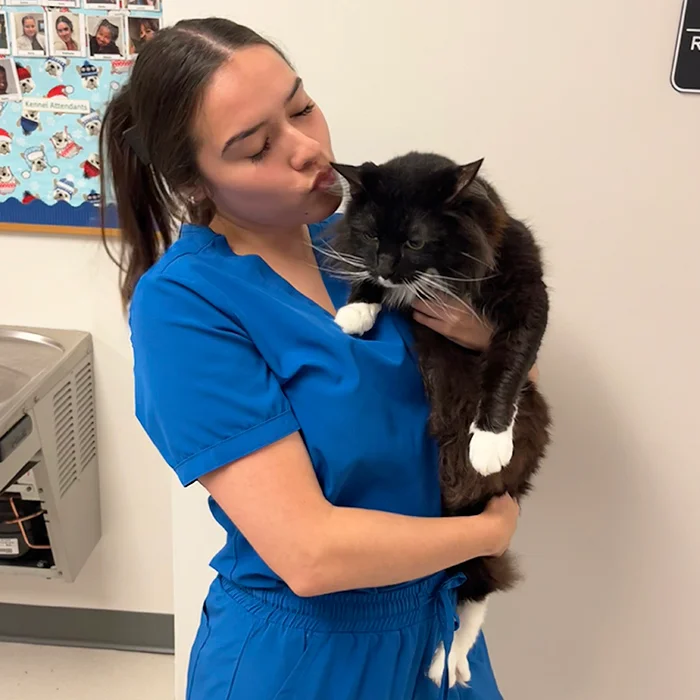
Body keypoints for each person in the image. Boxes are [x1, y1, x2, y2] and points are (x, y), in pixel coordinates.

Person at [101, 17, 531, 700]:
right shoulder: (185, 307)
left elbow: (512, 375)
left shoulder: (368, 247)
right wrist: (487, 533)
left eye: (301, 106)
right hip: (307, 656)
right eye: (255, 146)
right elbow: (310, 554)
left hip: (436, 632)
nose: (308, 149)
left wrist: (486, 341)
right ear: (195, 184)